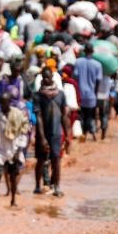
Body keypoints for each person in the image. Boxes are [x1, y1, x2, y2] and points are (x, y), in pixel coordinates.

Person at [33, 66, 70, 197]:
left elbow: (64, 115)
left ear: (52, 77)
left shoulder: (60, 94)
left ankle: (57, 186)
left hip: (56, 132)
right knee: (41, 159)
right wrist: (42, 137)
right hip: (43, 131)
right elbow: (38, 117)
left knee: (56, 159)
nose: (46, 79)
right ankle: (37, 185)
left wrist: (67, 135)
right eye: (44, 77)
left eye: (48, 76)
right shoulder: (38, 96)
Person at [0, 92, 29, 206]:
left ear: (9, 102)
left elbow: (23, 132)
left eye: (4, 102)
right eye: (0, 102)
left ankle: (13, 199)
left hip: (14, 148)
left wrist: (19, 150)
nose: (2, 104)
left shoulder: (18, 114)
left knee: (13, 175)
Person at [74, 44, 103, 141]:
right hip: (92, 95)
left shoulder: (78, 62)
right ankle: (93, 134)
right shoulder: (97, 64)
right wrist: (95, 93)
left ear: (84, 51)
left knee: (82, 116)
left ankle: (83, 135)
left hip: (80, 95)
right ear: (93, 52)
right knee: (91, 116)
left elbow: (75, 76)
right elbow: (98, 80)